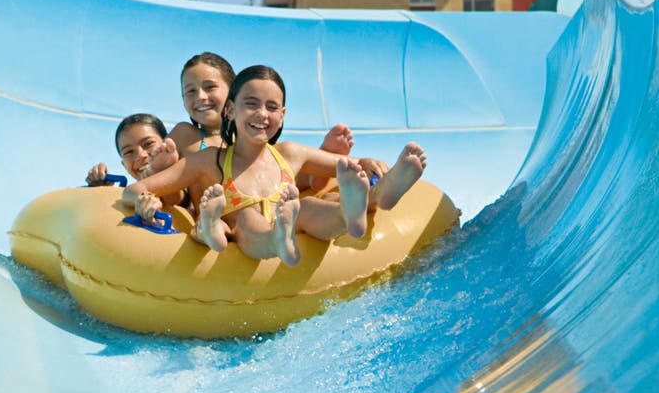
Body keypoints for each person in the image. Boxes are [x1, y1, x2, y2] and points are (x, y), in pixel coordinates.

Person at [124, 65, 427, 266]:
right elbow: (137, 187)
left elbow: (347, 165)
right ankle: (279, 239)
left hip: (292, 216)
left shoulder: (290, 153)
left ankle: (370, 201)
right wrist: (142, 199)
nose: (262, 114)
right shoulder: (208, 161)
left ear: (282, 115)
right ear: (230, 110)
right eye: (251, 104)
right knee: (246, 218)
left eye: (272, 107)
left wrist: (366, 162)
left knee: (310, 207)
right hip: (254, 231)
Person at [168, 51, 355, 191]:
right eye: (190, 91)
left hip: (262, 200)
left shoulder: (252, 131)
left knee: (285, 170)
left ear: (235, 91)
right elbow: (156, 174)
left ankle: (315, 173)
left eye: (210, 87)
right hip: (217, 217)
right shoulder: (186, 134)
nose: (200, 96)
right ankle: (315, 174)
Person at [85, 113, 186, 207]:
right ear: (124, 165)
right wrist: (102, 190)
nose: (140, 155)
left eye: (148, 144)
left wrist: (164, 175)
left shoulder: (193, 190)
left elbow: (177, 199)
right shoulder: (128, 196)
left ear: (167, 144)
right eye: (128, 152)